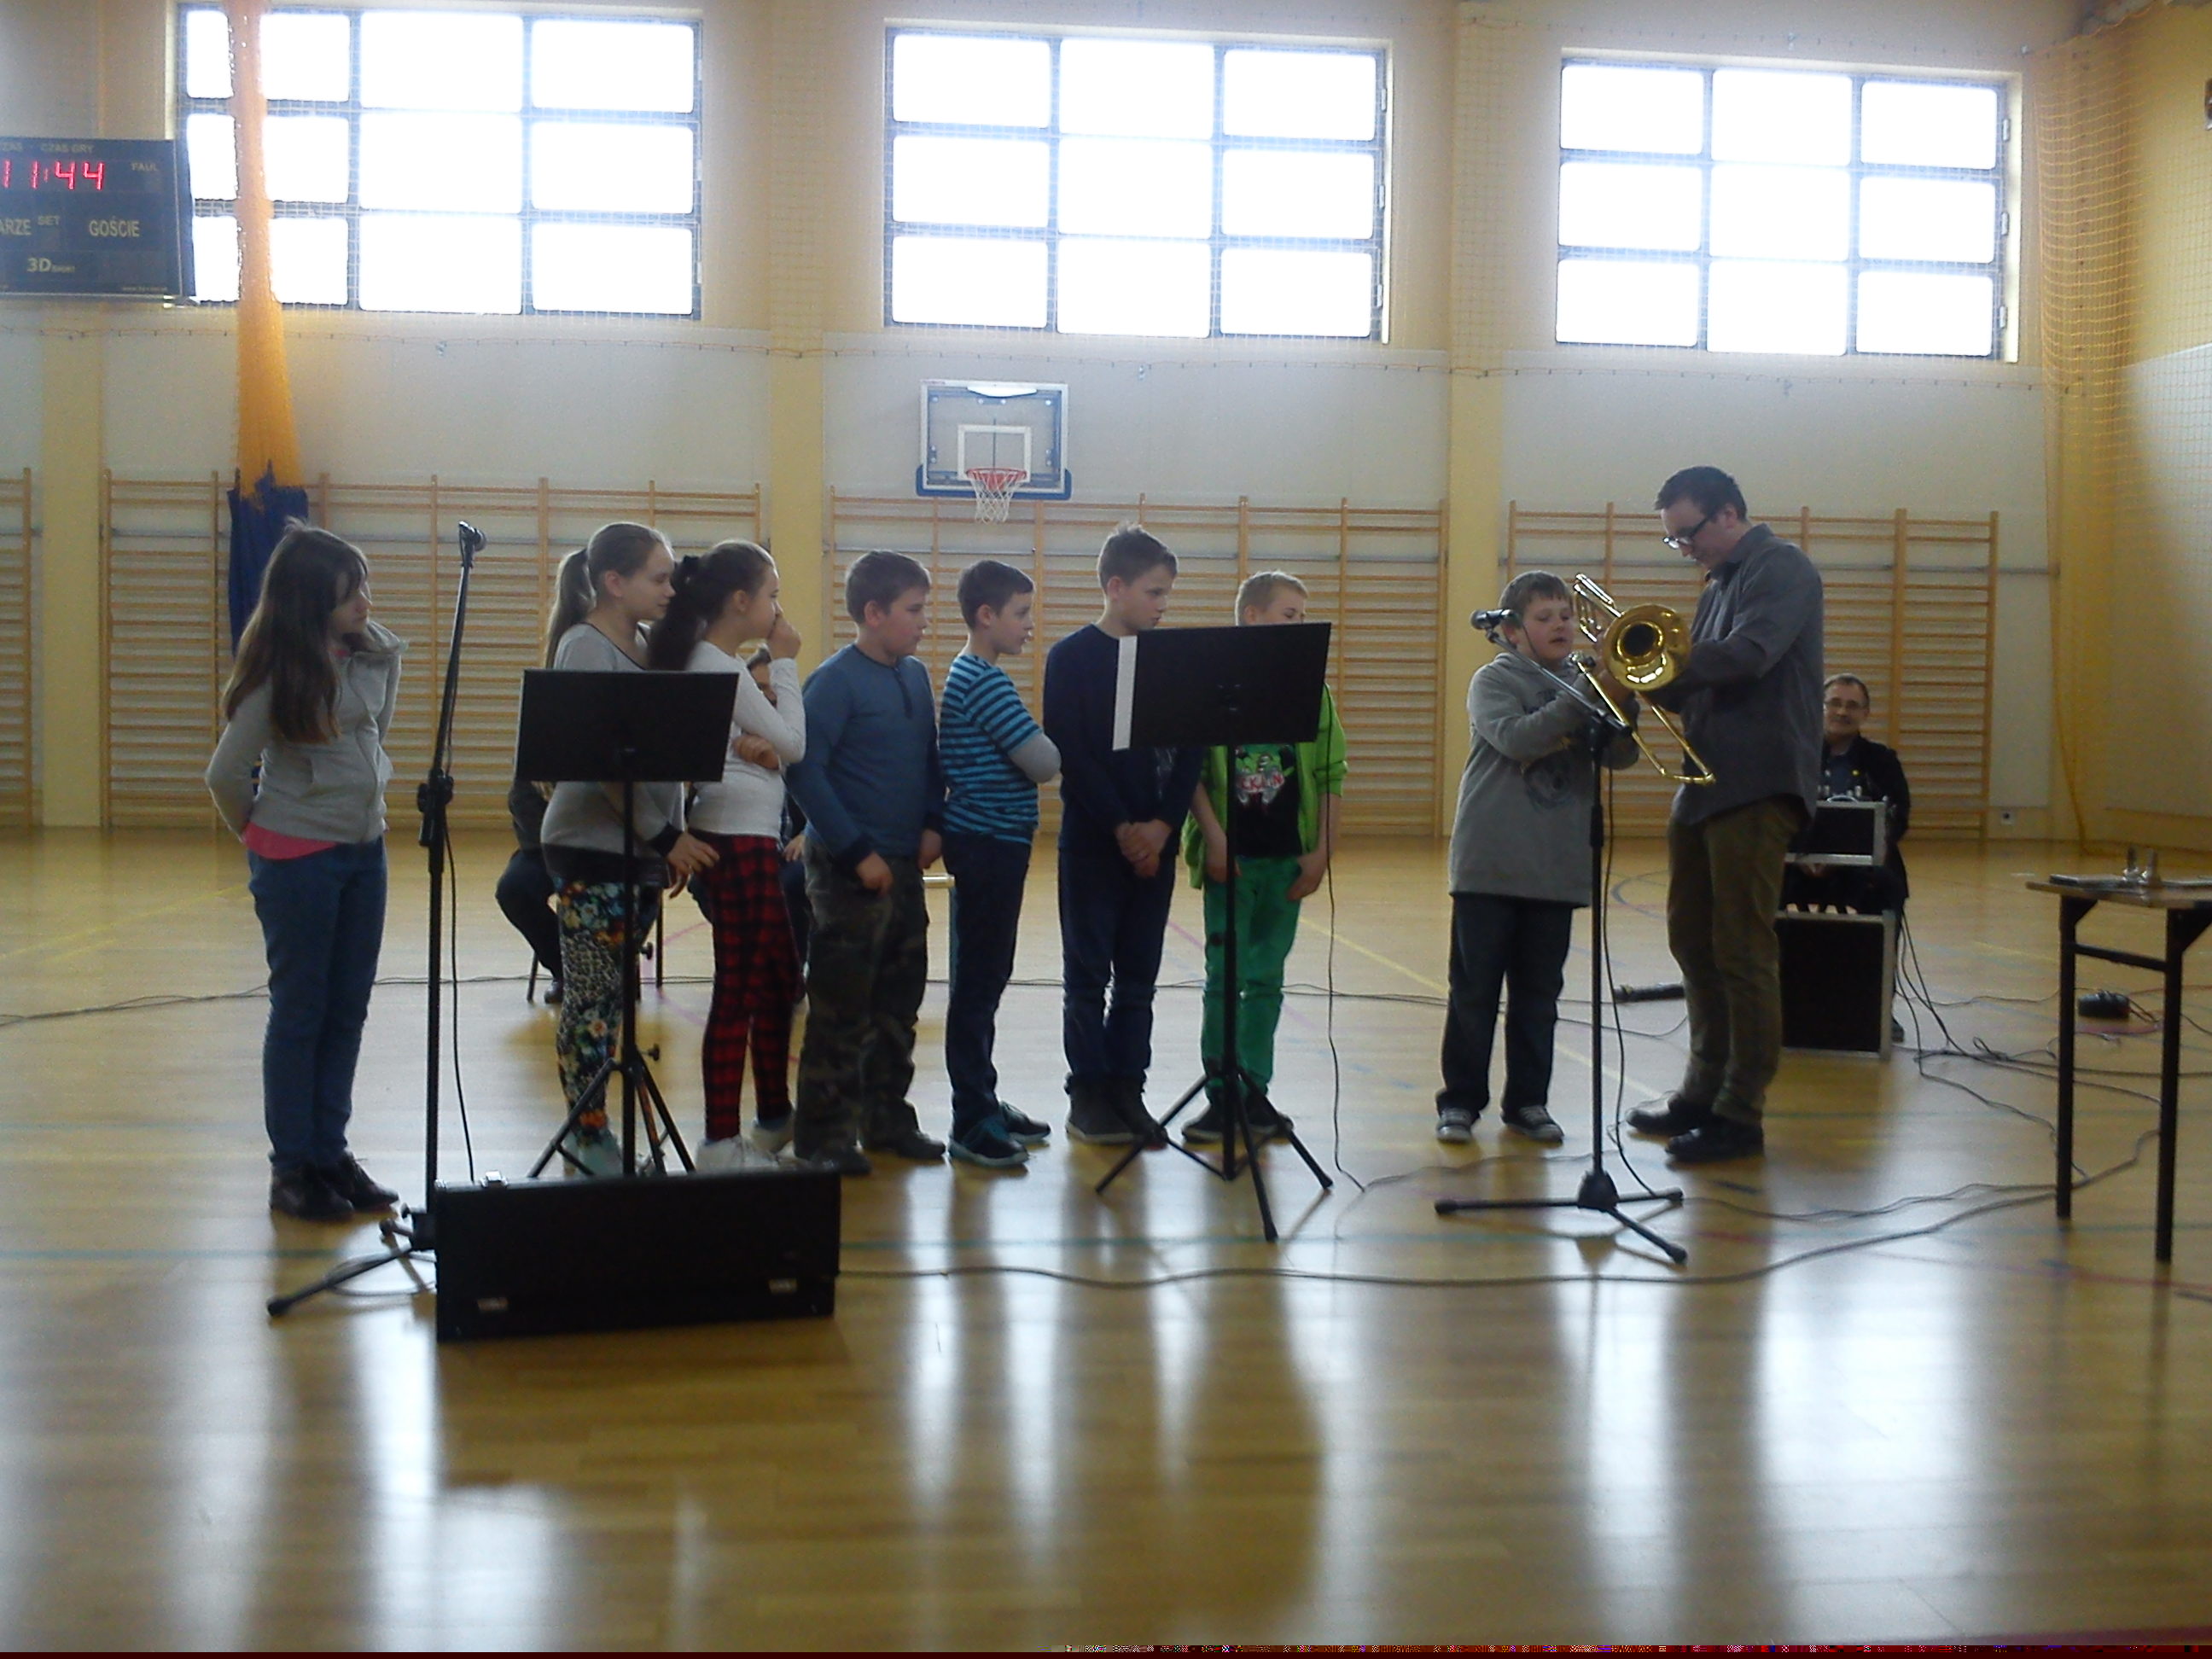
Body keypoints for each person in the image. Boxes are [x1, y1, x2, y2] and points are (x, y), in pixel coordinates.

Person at [205, 525, 405, 1223]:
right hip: (298, 859)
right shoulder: (279, 674)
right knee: (301, 1012)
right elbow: (225, 773)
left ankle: (329, 1152)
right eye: (348, 594)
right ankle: (292, 1168)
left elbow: (372, 734)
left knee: (347, 1009)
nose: (364, 603)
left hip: (364, 850)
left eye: (364, 588)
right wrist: (260, 834)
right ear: (310, 601)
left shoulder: (373, 654)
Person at [1627, 467, 1824, 1166]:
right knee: (1692, 941)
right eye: (1675, 540)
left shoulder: (1781, 568)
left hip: (1757, 780)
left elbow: (1749, 656)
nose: (1686, 549)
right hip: (1706, 781)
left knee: (1741, 949)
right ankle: (1701, 1090)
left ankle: (1740, 1112)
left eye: (1688, 534)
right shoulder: (1716, 586)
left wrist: (1662, 660)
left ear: (1730, 514)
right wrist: (1639, 677)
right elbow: (1693, 690)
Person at [537, 522, 719, 1177]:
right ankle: (586, 1140)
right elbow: (603, 764)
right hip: (591, 848)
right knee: (592, 1004)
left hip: (635, 848)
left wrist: (665, 835)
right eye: (658, 578)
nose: (670, 590)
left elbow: (662, 752)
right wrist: (667, 837)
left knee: (613, 1004)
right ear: (614, 583)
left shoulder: (643, 644)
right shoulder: (586, 646)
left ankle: (606, 1141)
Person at [1435, 572, 1638, 1148]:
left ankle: (1528, 1102)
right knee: (1474, 993)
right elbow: (1519, 739)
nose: (1560, 626)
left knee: (1539, 997)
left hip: (1555, 866)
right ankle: (1460, 1102)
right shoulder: (1494, 679)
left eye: (1566, 616)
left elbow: (1621, 756)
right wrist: (1588, 696)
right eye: (1544, 617)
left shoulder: (1584, 681)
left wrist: (1622, 697)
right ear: (1512, 630)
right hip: (1490, 862)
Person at [783, 550, 946, 1176]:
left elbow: (928, 758)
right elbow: (805, 773)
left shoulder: (914, 676)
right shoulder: (835, 682)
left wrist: (933, 821)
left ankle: (886, 1119)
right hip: (849, 871)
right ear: (874, 613)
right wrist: (857, 852)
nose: (924, 621)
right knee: (841, 1008)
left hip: (903, 865)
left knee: (898, 1002)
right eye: (914, 609)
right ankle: (823, 1136)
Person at [1042, 525, 1203, 1144]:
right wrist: (1122, 827)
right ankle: (1087, 1096)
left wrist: (1162, 827)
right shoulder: (1071, 657)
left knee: (1139, 978)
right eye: (1154, 592)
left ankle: (1129, 1091)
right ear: (1115, 587)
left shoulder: (1172, 659)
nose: (1163, 605)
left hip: (1156, 843)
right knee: (1087, 977)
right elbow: (1073, 753)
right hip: (1092, 842)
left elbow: (1189, 750)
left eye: (1167, 594)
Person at [646, 541, 806, 1161]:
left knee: (779, 979)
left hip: (750, 835)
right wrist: (785, 662)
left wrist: (764, 749)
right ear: (741, 601)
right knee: (739, 989)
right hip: (736, 840)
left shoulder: (716, 662)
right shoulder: (717, 664)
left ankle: (774, 1115)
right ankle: (718, 1138)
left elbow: (773, 750)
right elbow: (794, 744)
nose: (778, 609)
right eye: (772, 596)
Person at [1180, 571, 1346, 1145]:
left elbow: (1331, 774)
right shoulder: (1213, 685)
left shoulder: (1311, 691)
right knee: (1224, 978)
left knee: (1267, 979)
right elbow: (1192, 774)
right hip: (1233, 859)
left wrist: (1321, 852)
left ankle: (1256, 1090)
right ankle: (1221, 1093)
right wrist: (1215, 838)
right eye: (1288, 614)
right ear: (1252, 616)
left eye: (1303, 616)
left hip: (1286, 860)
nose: (1299, 625)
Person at [937, 560, 1061, 1169]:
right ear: (986, 616)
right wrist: (1055, 743)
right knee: (979, 981)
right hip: (985, 843)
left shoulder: (980, 676)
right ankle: (971, 1117)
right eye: (1021, 613)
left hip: (996, 843)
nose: (1029, 625)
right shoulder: (983, 681)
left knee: (989, 974)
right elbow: (1043, 762)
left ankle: (983, 1097)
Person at [1780, 672, 1910, 917]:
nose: (1842, 712)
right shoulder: (1794, 756)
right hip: (1797, 860)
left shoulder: (1882, 760)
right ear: (1819, 706)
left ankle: (1875, 944)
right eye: (1835, 703)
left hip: (1862, 863)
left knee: (1887, 886)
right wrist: (1800, 854)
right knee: (1758, 880)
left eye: (1852, 706)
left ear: (1865, 713)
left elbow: (1899, 816)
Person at [497, 767, 562, 1004]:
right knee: (513, 890)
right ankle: (565, 969)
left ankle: (616, 963)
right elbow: (522, 804)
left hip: (609, 845)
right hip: (547, 847)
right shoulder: (540, 750)